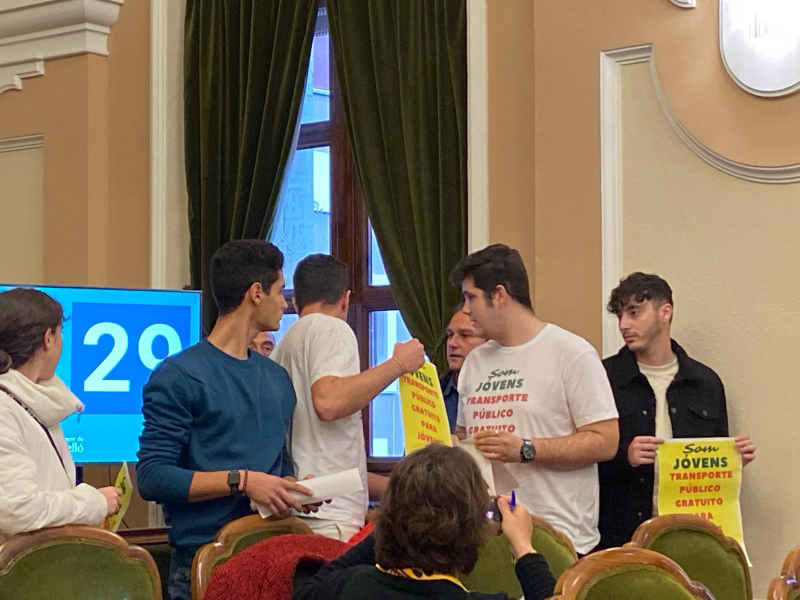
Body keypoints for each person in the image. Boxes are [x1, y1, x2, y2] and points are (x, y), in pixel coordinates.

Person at [137, 240, 320, 600]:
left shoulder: (277, 378)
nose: (285, 304)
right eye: (280, 291)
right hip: (206, 566)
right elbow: (153, 476)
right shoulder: (179, 375)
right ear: (256, 293)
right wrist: (242, 481)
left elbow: (278, 463)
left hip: (274, 561)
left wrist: (290, 488)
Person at [450, 244, 619, 556]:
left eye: (471, 297)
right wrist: (449, 443)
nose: (466, 310)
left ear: (499, 295)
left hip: (557, 537)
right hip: (486, 535)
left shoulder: (571, 353)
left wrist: (525, 449)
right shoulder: (475, 362)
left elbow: (606, 441)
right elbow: (464, 434)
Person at [598, 272, 756, 549]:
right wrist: (625, 455)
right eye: (620, 315)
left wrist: (730, 463)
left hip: (689, 536)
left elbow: (713, 462)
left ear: (665, 312)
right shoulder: (603, 377)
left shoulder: (704, 382)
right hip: (620, 534)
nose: (624, 324)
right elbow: (581, 460)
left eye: (634, 313)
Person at [272, 254, 425, 540]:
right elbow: (328, 402)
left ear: (295, 301)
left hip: (298, 505)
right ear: (345, 300)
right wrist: (398, 365)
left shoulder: (283, 345)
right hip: (330, 513)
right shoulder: (333, 327)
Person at [292, 444, 556, 600]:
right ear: (472, 528)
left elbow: (307, 592)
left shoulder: (350, 586)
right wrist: (524, 548)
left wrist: (402, 517)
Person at [0, 288, 121, 543]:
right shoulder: (4, 408)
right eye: (60, 333)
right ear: (48, 338)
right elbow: (17, 510)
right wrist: (94, 502)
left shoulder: (35, 398)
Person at [440, 302, 487, 433]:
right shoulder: (434, 393)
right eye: (450, 335)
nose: (452, 343)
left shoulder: (505, 392)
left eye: (465, 335)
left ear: (490, 344)